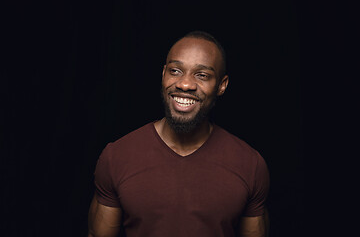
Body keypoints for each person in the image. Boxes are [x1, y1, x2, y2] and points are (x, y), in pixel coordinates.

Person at [88, 31, 270, 237]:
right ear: (163, 74)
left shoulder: (250, 164)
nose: (185, 84)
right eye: (175, 71)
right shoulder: (117, 156)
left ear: (222, 85)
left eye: (201, 75)